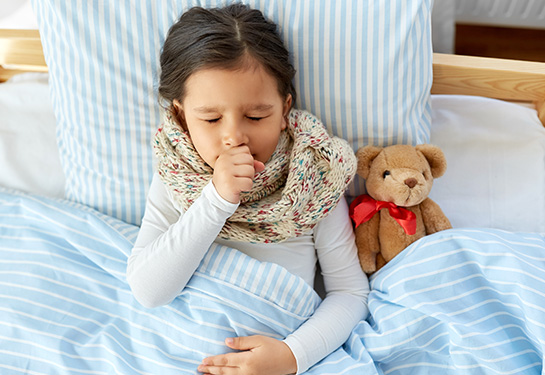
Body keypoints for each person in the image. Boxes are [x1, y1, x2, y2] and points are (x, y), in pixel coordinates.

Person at [126, 3, 369, 374]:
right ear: (180, 116)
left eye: (257, 117)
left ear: (285, 109)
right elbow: (148, 290)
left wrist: (292, 356)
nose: (234, 136)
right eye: (210, 118)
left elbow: (350, 293)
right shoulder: (175, 175)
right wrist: (216, 200)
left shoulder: (314, 177)